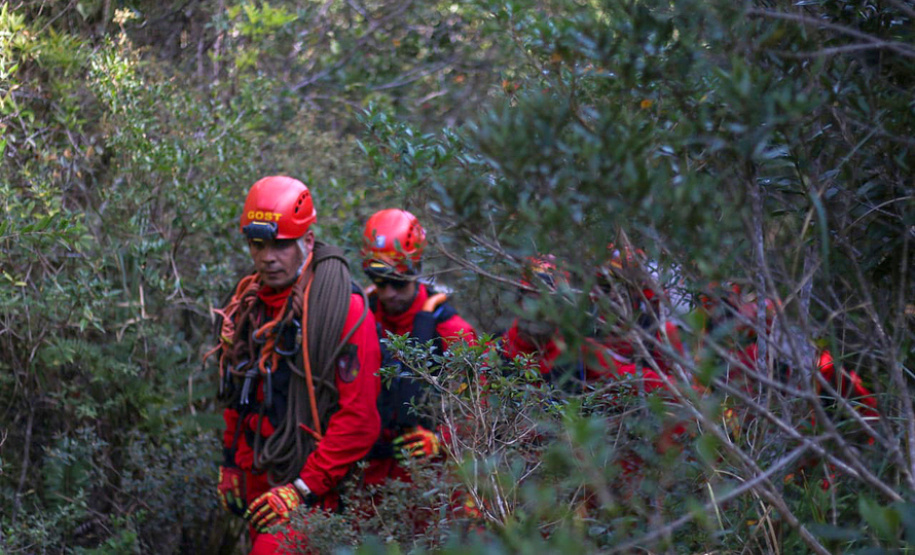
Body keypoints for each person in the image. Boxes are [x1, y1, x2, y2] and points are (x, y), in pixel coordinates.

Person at [206, 176, 381, 554]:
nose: (268, 256)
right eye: (258, 244)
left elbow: (360, 419)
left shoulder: (344, 312)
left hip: (316, 487)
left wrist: (300, 489)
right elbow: (237, 391)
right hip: (260, 478)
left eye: (281, 245)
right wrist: (231, 464)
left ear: (308, 242)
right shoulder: (250, 306)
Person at [358, 208, 477, 485]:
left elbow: (481, 407)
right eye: (379, 282)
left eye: (397, 282)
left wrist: (441, 440)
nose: (388, 293)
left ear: (417, 270)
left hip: (429, 479)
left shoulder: (451, 329)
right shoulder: (359, 319)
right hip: (367, 477)